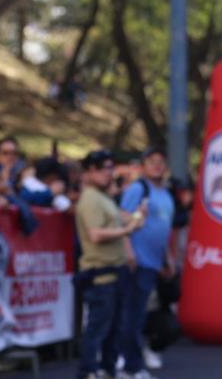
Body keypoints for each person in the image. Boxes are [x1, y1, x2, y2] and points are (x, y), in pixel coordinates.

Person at [75, 149, 145, 379]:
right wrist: (127, 229)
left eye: (109, 168)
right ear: (90, 172)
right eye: (103, 169)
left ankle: (107, 369)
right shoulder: (91, 199)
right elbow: (96, 234)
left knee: (115, 328)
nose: (108, 173)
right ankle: (88, 371)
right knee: (98, 328)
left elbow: (125, 220)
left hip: (116, 272)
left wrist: (136, 217)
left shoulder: (104, 197)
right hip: (100, 273)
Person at [117, 147, 176, 379]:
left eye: (160, 161)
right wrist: (129, 251)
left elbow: (164, 228)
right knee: (133, 315)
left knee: (142, 315)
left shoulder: (166, 194)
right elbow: (122, 220)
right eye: (152, 162)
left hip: (154, 263)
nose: (157, 166)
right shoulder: (137, 189)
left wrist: (168, 258)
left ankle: (131, 359)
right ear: (142, 166)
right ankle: (131, 364)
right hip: (138, 261)